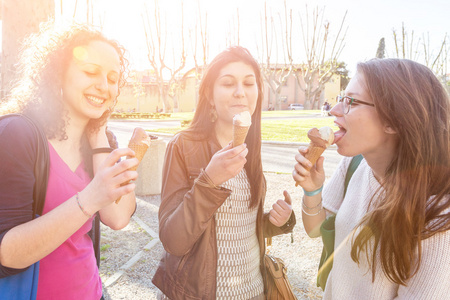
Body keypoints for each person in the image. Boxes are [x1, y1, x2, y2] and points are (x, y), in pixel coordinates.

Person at [0, 22, 139, 299]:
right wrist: (90, 198)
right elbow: (8, 254)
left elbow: (117, 217)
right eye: (90, 72)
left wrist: (98, 132)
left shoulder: (101, 141)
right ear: (58, 73)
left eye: (113, 79)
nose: (103, 86)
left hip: (92, 292)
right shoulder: (17, 134)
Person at [293, 58, 450, 299]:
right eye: (340, 99)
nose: (334, 111)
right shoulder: (354, 164)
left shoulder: (439, 216)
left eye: (351, 102)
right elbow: (315, 230)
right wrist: (312, 190)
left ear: (393, 119)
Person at [152, 46, 296, 300]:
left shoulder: (250, 149)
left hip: (253, 292)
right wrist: (208, 182)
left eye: (249, 83)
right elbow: (173, 240)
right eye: (228, 83)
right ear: (209, 93)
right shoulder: (183, 147)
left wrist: (275, 221)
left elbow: (238, 226)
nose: (240, 92)